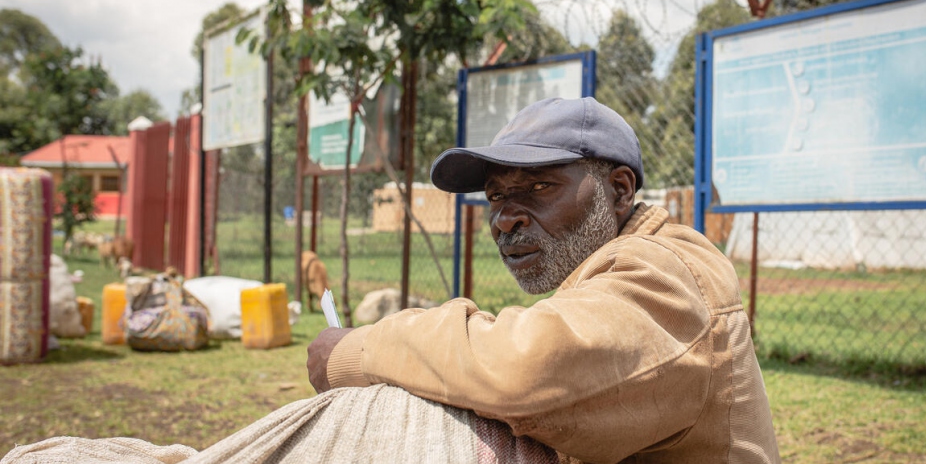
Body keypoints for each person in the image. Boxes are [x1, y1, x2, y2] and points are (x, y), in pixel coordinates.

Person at [307, 96, 780, 463]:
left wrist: (357, 350)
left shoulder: (668, 269)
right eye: (496, 196)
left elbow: (526, 369)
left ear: (618, 190)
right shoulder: (608, 270)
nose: (505, 220)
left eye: (538, 188)